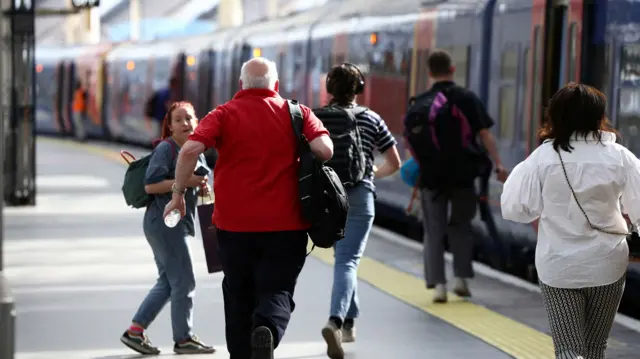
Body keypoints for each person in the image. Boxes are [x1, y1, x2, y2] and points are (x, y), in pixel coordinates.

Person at [163, 57, 333, 359]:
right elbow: (325, 150)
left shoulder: (223, 114)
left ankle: (241, 353)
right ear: (276, 85)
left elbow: (189, 149)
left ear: (241, 85)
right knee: (277, 289)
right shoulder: (298, 113)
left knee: (238, 292)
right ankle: (267, 328)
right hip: (287, 226)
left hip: (233, 226)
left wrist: (177, 194)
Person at [501, 83, 640, 359]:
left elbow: (516, 209)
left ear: (556, 116)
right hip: (608, 263)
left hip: (559, 266)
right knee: (595, 348)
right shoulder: (620, 158)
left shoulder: (542, 159)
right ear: (598, 116)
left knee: (567, 349)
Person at [408, 49, 508, 303]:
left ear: (429, 73)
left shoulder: (419, 102)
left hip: (431, 177)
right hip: (463, 175)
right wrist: (498, 164)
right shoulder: (467, 98)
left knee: (433, 230)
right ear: (452, 70)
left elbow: (412, 142)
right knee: (461, 226)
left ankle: (439, 286)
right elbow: (485, 135)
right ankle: (461, 281)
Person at [317, 63, 401, 359]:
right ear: (360, 89)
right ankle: (336, 322)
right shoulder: (371, 118)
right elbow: (395, 163)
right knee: (348, 262)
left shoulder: (315, 117)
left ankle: (350, 321)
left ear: (329, 89)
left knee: (342, 259)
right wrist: (371, 172)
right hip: (359, 195)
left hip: (325, 198)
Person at [120, 101, 215, 356]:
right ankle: (183, 339)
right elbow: (151, 185)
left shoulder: (197, 150)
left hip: (172, 223)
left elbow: (193, 181)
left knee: (168, 281)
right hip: (164, 222)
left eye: (190, 118)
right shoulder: (166, 148)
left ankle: (135, 331)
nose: (185, 123)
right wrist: (186, 182)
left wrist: (198, 185)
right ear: (170, 126)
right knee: (184, 281)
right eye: (179, 119)